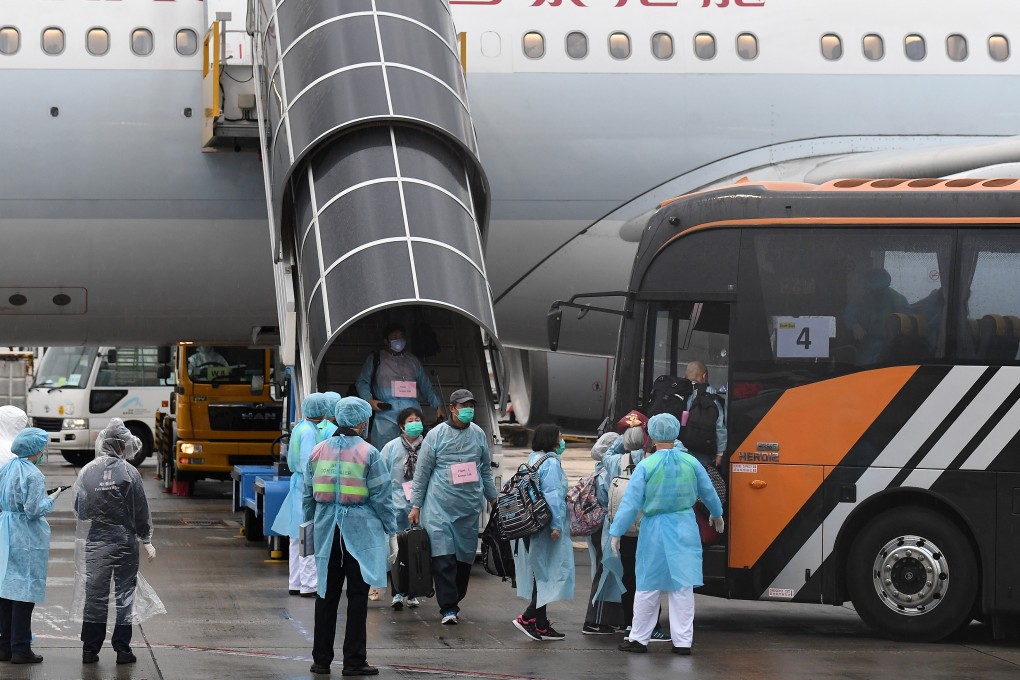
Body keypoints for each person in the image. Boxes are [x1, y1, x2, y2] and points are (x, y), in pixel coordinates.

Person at [611, 413, 724, 655]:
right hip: (685, 527)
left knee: (647, 585)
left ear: (650, 436)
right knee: (682, 587)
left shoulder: (646, 466)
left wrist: (616, 531)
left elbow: (631, 503)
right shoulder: (691, 463)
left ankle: (639, 639)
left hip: (654, 530)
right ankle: (682, 642)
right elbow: (708, 492)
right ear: (676, 433)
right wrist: (717, 514)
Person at [303, 397, 396, 677]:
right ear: (360, 421)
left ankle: (321, 660)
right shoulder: (369, 453)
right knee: (357, 596)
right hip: (360, 533)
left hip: (326, 530)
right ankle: (354, 661)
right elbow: (381, 496)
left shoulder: (318, 451)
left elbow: (307, 495)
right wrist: (392, 529)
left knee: (326, 595)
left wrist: (310, 524)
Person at [72, 419, 161, 665]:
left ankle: (90, 649)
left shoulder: (88, 471)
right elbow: (140, 509)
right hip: (124, 542)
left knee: (95, 595)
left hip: (96, 541)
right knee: (125, 595)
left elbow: (80, 509)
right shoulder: (129, 473)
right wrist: (146, 538)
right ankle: (122, 649)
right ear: (123, 446)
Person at [408, 388, 497, 625]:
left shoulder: (478, 434)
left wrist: (493, 498)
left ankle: (455, 598)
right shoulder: (436, 435)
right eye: (463, 405)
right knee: (443, 556)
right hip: (439, 505)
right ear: (452, 408)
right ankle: (448, 607)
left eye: (471, 405)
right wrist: (416, 505)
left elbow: (486, 470)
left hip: (468, 507)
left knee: (464, 557)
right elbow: (422, 473)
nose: (468, 409)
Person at [511, 424, 574, 642]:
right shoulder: (551, 463)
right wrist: (556, 526)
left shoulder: (533, 459)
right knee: (546, 573)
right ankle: (528, 618)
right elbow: (554, 496)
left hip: (530, 524)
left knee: (540, 573)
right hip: (545, 525)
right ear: (552, 439)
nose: (562, 439)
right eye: (560, 436)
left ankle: (541, 624)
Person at [0, 427, 56, 664]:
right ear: (35, 449)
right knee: (24, 591)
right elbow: (33, 510)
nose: (44, 451)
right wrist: (51, 499)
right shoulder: (33, 475)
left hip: (5, 529)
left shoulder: (7, 468)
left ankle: (4, 646)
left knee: (5, 589)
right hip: (26, 536)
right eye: (43, 447)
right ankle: (21, 647)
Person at [272, 394, 329, 598]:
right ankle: (309, 585)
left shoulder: (302, 427)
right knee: (308, 535)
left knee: (297, 537)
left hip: (298, 486)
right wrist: (316, 487)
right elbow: (309, 463)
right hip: (306, 486)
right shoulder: (309, 432)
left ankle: (295, 582)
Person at [355, 323, 445, 449]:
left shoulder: (412, 361)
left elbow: (425, 385)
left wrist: (437, 405)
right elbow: (362, 381)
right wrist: (369, 400)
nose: (399, 340)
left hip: (412, 412)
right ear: (386, 341)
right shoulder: (376, 359)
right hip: (386, 413)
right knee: (384, 450)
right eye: (394, 337)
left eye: (401, 336)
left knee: (416, 449)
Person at [379, 407, 424, 610]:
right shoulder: (390, 447)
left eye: (417, 419)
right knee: (396, 550)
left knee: (416, 549)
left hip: (420, 504)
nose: (415, 423)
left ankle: (413, 592)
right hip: (396, 503)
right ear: (401, 425)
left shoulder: (429, 446)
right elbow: (380, 476)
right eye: (410, 420)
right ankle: (397, 592)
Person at [581, 431, 622, 635]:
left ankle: (610, 618)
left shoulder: (599, 469)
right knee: (604, 572)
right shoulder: (608, 472)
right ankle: (594, 620)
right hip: (606, 527)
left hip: (599, 527)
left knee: (607, 572)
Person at [845, 267, 908, 364]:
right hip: (866, 347)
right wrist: (854, 325)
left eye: (879, 290)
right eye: (871, 290)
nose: (875, 293)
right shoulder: (862, 299)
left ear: (886, 286)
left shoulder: (899, 300)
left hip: (892, 349)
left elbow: (906, 327)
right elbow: (849, 313)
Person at [681, 361, 727, 470]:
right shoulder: (709, 394)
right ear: (704, 375)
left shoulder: (678, 391)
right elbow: (719, 426)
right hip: (702, 451)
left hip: (679, 450)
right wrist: (720, 452)